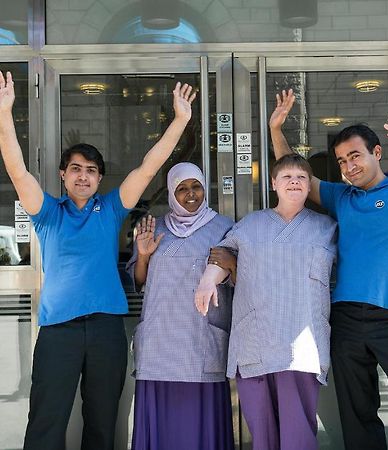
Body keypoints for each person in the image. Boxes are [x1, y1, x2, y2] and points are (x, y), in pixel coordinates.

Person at [0, 70, 196, 450]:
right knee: (46, 422)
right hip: (59, 331)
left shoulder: (109, 209)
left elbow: (149, 167)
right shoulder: (47, 212)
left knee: (104, 423)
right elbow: (16, 169)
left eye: (91, 171)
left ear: (99, 178)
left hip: (107, 330)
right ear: (63, 174)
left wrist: (181, 120)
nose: (84, 176)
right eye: (76, 169)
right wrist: (5, 112)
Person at [269, 89, 388, 450]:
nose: (349, 166)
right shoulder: (342, 197)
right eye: (341, 160)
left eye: (355, 156)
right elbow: (295, 175)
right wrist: (276, 128)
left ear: (376, 153)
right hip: (347, 319)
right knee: (358, 417)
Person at [195, 154, 337, 450]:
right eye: (286, 176)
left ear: (309, 185)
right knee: (263, 435)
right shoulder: (250, 225)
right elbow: (222, 254)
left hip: (302, 347)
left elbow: (364, 252)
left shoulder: (328, 228)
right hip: (255, 342)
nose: (294, 182)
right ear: (274, 183)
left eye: (301, 177)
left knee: (298, 435)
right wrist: (209, 278)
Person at [126, 162, 235, 450]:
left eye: (196, 186)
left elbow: (238, 276)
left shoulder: (225, 227)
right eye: (182, 188)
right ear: (172, 193)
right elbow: (138, 281)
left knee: (200, 428)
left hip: (202, 341)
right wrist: (144, 255)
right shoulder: (154, 227)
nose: (190, 194)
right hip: (160, 344)